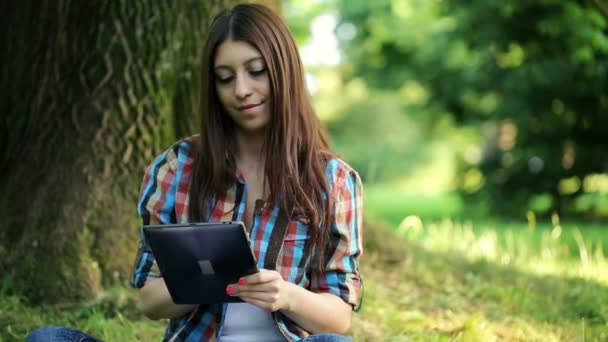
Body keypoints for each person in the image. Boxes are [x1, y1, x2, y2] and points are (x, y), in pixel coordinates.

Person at [27, 3, 363, 342]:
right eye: (225, 78)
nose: (241, 90)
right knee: (48, 339)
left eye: (256, 71)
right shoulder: (178, 167)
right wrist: (207, 277)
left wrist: (288, 295)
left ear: (284, 71)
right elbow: (149, 300)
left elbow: (338, 318)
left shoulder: (333, 180)